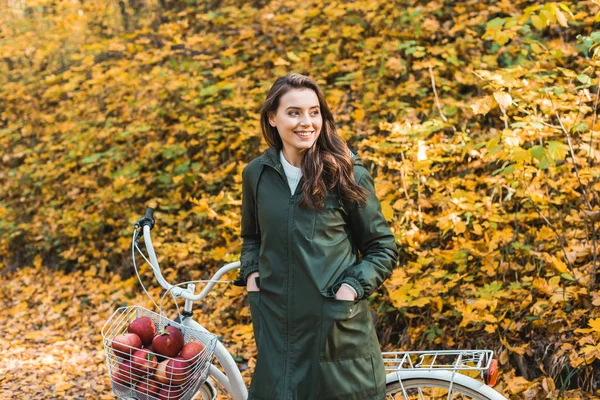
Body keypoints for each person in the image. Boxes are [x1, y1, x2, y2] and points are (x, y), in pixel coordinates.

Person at [233, 73, 398, 400]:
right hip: (276, 332)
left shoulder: (346, 173)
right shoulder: (257, 175)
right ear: (272, 117)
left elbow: (382, 249)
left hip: (335, 331)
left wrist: (350, 289)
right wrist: (252, 274)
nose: (306, 122)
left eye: (314, 112)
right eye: (294, 112)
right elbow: (252, 237)